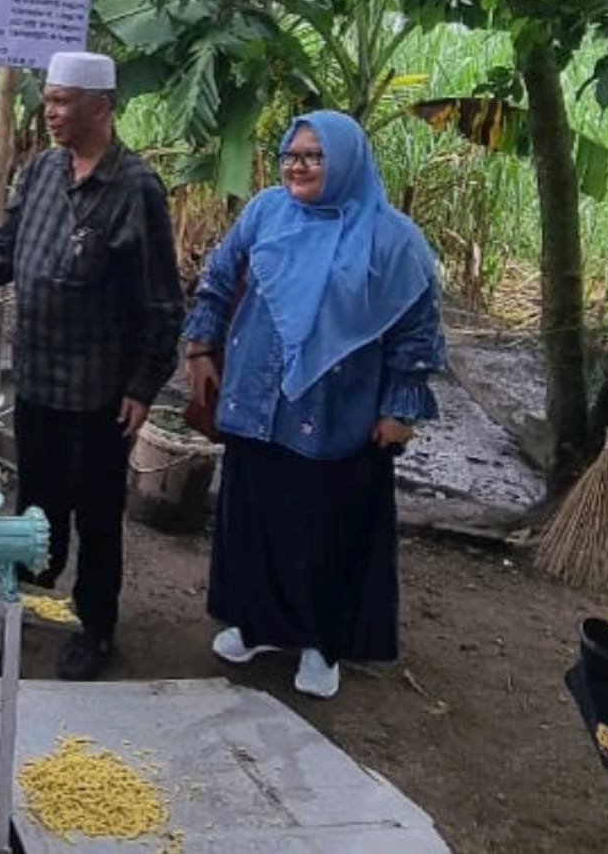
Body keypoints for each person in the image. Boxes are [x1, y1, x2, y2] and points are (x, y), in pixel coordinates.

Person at [0, 51, 184, 681]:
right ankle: (27, 601)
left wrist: (144, 385)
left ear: (101, 105)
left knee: (96, 512)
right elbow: (3, 253)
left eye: (62, 101)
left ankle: (96, 624)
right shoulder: (40, 172)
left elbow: (163, 302)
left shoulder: (134, 188)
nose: (50, 111)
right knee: (37, 505)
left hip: (99, 392)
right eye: (48, 99)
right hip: (36, 379)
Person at [182, 109, 446, 700]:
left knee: (325, 529)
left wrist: (401, 407)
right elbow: (220, 278)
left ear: (345, 161)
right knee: (254, 518)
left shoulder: (392, 239)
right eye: (290, 155)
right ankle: (256, 624)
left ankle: (322, 643)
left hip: (339, 410)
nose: (298, 166)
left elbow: (415, 328)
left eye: (313, 156)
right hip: (257, 400)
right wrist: (200, 348)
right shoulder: (267, 212)